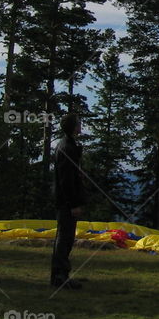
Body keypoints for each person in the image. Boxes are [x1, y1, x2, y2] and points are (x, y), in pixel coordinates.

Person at [50, 114, 85, 290]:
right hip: (66, 202)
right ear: (72, 127)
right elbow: (66, 180)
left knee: (64, 238)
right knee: (65, 239)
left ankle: (60, 275)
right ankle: (60, 276)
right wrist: (73, 204)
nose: (81, 125)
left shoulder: (67, 146)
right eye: (78, 123)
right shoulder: (67, 148)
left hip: (64, 200)